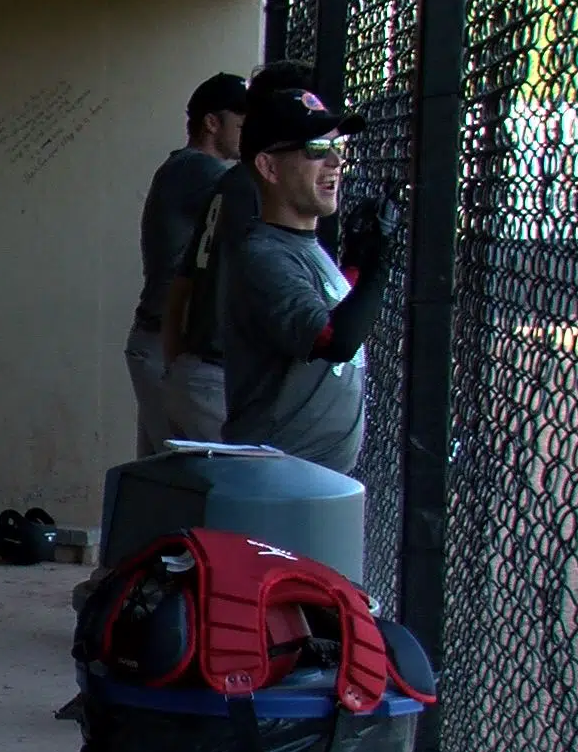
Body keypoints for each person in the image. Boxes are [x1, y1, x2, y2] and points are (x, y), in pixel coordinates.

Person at [222, 87, 395, 474]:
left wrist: (357, 258)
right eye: (316, 149)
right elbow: (335, 339)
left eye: (337, 147)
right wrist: (381, 260)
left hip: (306, 481)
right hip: (277, 480)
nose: (334, 161)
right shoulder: (265, 256)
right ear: (269, 167)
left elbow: (338, 307)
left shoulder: (302, 247)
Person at [161, 60, 318, 441]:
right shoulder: (241, 182)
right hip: (218, 371)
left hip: (198, 366)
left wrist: (176, 363)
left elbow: (181, 282)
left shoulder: (232, 179)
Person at [124, 71, 246, 457]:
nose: (250, 133)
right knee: (193, 478)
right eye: (243, 124)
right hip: (165, 347)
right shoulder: (199, 170)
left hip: (158, 344)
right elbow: (258, 198)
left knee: (161, 478)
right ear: (212, 122)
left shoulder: (185, 169)